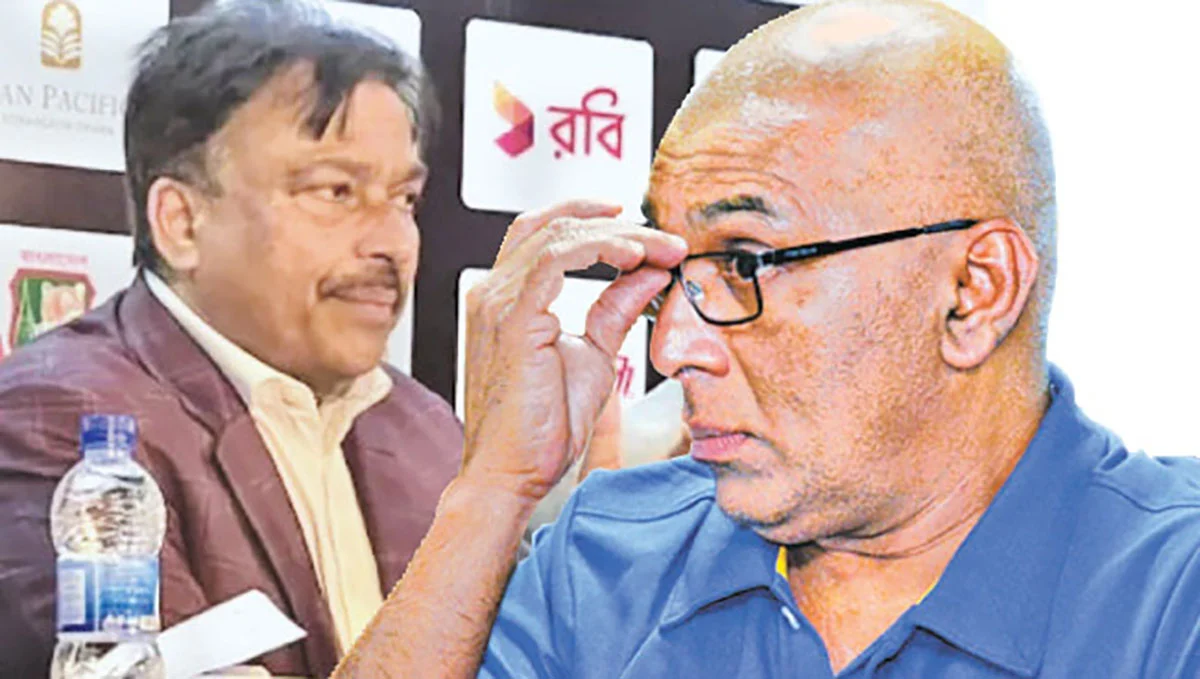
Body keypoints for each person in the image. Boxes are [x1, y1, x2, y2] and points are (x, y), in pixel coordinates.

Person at [332, 1, 1200, 677]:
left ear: (974, 292)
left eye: (745, 261)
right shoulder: (607, 557)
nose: (670, 348)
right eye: (675, 270)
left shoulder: (1172, 597)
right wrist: (490, 494)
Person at [0, 2, 462, 677]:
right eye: (336, 191)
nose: (393, 242)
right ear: (182, 223)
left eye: (405, 199)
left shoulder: (427, 429)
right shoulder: (64, 422)